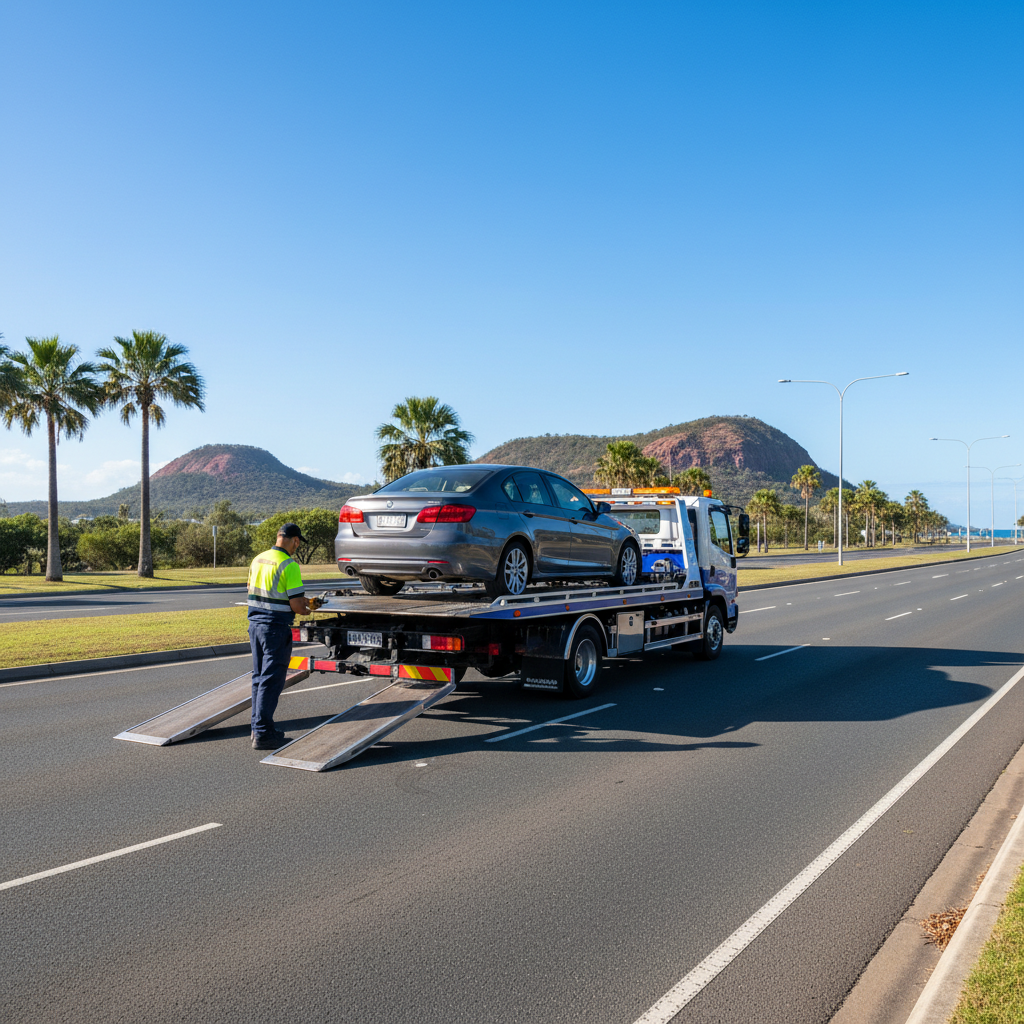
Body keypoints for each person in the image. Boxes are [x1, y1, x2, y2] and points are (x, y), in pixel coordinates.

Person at [246, 523, 314, 749]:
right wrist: (309, 607)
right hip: (275, 628)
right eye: (297, 543)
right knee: (272, 680)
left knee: (258, 677)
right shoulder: (289, 565)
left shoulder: (258, 559)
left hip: (255, 624)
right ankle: (264, 734)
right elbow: (296, 605)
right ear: (295, 540)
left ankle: (257, 730)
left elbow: (250, 588)